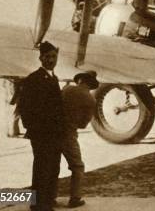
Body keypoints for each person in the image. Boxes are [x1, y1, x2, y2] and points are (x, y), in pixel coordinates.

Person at [18, 41, 65, 211]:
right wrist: (34, 128)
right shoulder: (34, 78)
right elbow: (24, 106)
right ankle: (38, 205)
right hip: (42, 134)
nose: (51, 60)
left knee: (53, 167)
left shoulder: (53, 77)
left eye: (53, 56)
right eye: (47, 57)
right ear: (40, 58)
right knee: (42, 168)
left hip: (55, 133)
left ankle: (49, 200)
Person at [58, 70, 99, 208]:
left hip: (51, 132)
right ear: (91, 84)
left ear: (80, 80)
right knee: (78, 167)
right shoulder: (91, 99)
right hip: (68, 134)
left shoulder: (66, 89)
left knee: (51, 166)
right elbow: (82, 124)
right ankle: (75, 199)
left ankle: (48, 198)